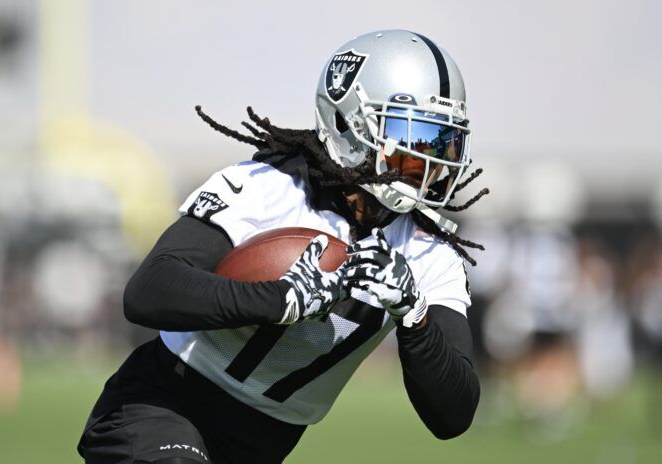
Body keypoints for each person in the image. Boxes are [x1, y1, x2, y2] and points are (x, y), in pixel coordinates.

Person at [78, 29, 487, 464]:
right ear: (350, 124)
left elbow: (453, 415)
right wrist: (280, 298)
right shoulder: (269, 188)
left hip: (264, 444)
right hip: (165, 401)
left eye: (443, 142)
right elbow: (149, 289)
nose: (430, 162)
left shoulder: (430, 254)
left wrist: (415, 317)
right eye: (415, 140)